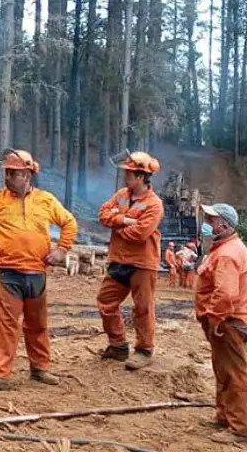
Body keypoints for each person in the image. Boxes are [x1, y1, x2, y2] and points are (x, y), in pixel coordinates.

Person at [0, 149, 79, 392]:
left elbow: (69, 222)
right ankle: (0, 374)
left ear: (27, 175)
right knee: (6, 324)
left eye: (13, 173)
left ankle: (40, 368)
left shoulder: (46, 200)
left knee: (38, 324)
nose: (7, 176)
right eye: (7, 172)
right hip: (9, 271)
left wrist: (62, 249)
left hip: (37, 272)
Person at [96, 151, 165, 370]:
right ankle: (118, 345)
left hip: (142, 263)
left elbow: (140, 233)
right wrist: (124, 220)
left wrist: (118, 225)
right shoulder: (121, 195)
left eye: (129, 173)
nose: (125, 176)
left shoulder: (154, 204)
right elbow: (103, 215)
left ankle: (144, 349)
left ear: (141, 176)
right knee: (106, 302)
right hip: (119, 259)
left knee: (143, 307)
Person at [195, 203, 247, 444]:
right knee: (223, 371)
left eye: (211, 219)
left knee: (232, 375)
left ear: (225, 225)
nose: (207, 222)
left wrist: (214, 318)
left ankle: (241, 430)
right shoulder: (224, 249)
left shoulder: (228, 254)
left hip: (227, 321)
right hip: (225, 321)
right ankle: (224, 416)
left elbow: (226, 294)